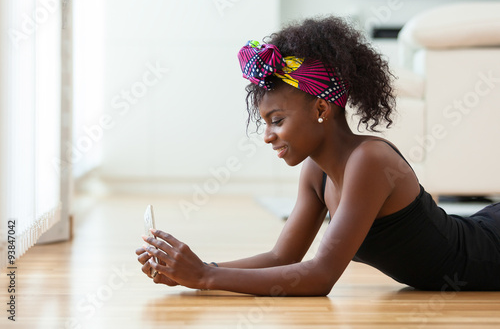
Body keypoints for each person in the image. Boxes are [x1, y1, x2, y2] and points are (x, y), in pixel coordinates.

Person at [136, 16, 500, 295]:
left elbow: (321, 276)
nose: (267, 136)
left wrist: (204, 277)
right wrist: (193, 269)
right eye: (265, 123)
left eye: (277, 120)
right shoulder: (316, 172)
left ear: (321, 109)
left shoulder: (370, 160)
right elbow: (283, 259)